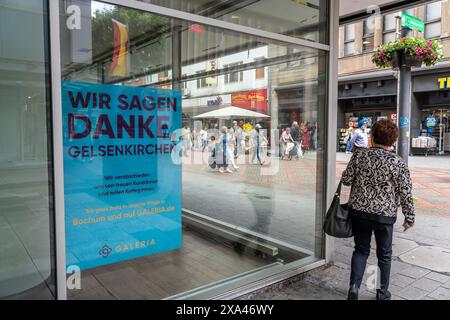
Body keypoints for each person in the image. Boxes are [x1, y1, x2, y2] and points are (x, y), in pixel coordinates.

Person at [341, 120, 415, 301]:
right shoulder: (398, 162)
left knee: (360, 250)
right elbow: (406, 192)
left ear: (372, 137)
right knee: (384, 255)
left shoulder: (359, 156)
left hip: (359, 212)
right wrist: (409, 217)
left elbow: (346, 180)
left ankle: (354, 287)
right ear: (393, 140)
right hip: (385, 216)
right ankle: (382, 294)